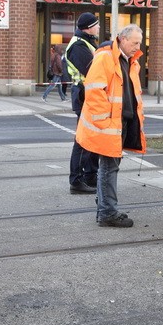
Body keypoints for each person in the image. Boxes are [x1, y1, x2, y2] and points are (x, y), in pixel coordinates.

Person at [75, 24, 146, 228]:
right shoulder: (106, 57)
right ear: (122, 39)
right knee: (108, 168)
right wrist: (105, 121)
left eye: (139, 43)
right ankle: (107, 212)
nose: (137, 46)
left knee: (109, 168)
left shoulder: (128, 60)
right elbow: (95, 91)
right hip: (108, 124)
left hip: (117, 123)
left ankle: (105, 206)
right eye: (135, 42)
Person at [64, 12, 102, 194]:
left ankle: (90, 176)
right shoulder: (79, 45)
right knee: (83, 139)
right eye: (96, 24)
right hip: (83, 95)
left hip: (89, 95)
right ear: (88, 27)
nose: (99, 27)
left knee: (92, 138)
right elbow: (92, 70)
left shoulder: (86, 42)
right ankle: (77, 180)